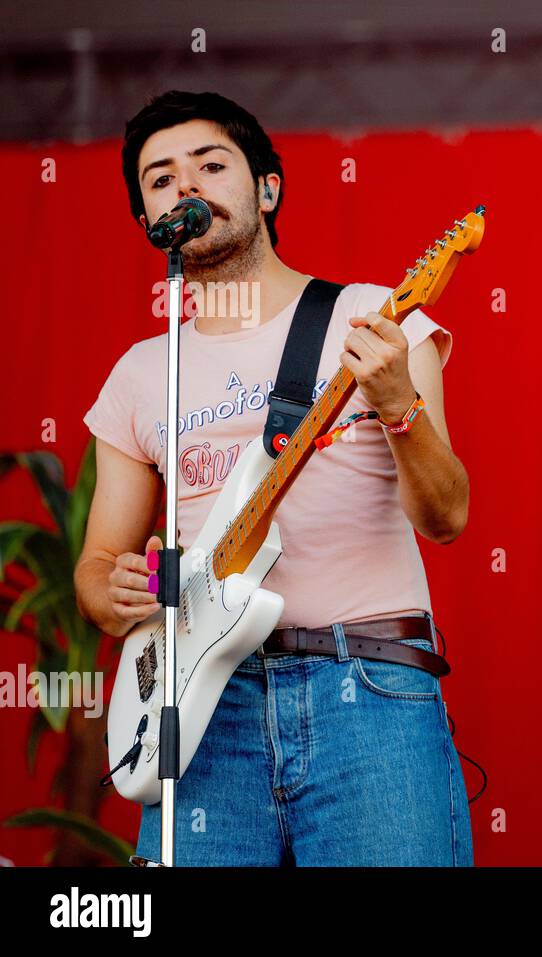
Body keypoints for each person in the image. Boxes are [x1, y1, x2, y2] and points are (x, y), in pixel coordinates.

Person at [73, 90, 474, 866]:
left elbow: (447, 514)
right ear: (149, 219)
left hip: (367, 690)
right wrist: (113, 588)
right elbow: (95, 570)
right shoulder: (141, 371)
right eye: (160, 179)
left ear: (267, 188)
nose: (184, 186)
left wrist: (399, 408)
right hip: (200, 711)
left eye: (210, 165)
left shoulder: (373, 319)